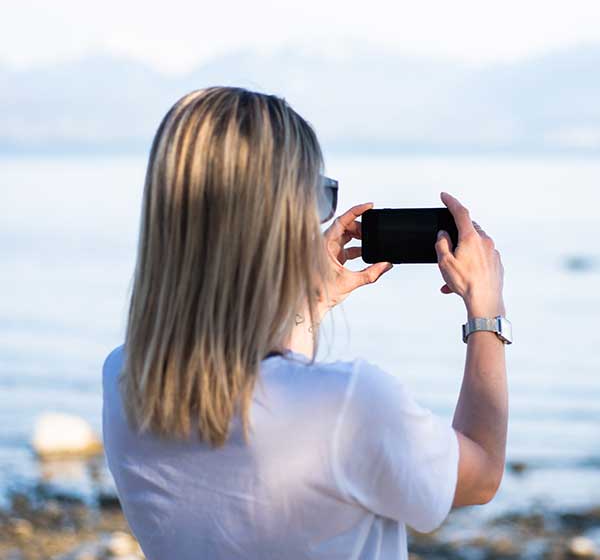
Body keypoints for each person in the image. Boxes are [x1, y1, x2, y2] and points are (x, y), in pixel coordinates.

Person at [102, 86, 508, 560]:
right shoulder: (349, 404)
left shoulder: (126, 380)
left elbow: (263, 392)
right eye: (317, 196)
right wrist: (485, 310)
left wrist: (309, 304)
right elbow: (482, 474)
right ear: (279, 219)